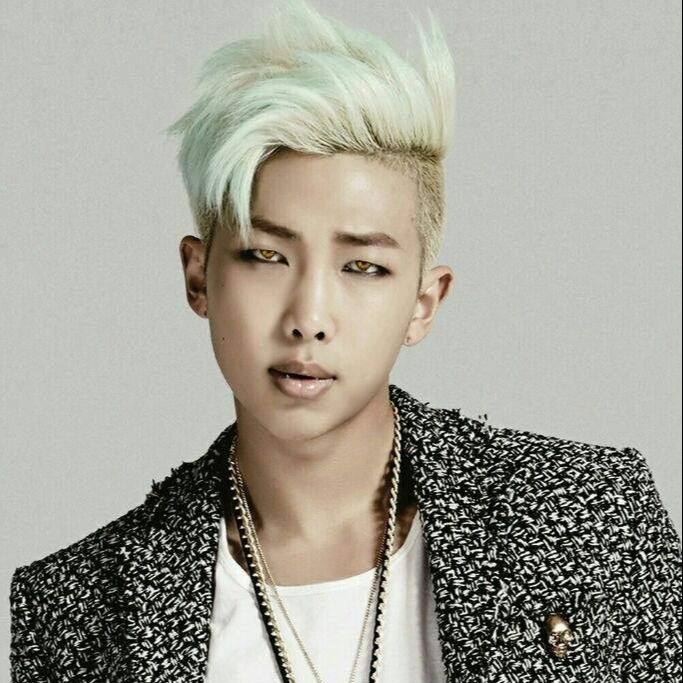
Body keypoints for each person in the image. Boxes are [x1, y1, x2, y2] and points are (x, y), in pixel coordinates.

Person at [10, 0, 681, 681]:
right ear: (198, 276)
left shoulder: (592, 520)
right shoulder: (78, 606)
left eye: (362, 267)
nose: (309, 317)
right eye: (266, 257)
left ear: (423, 303)